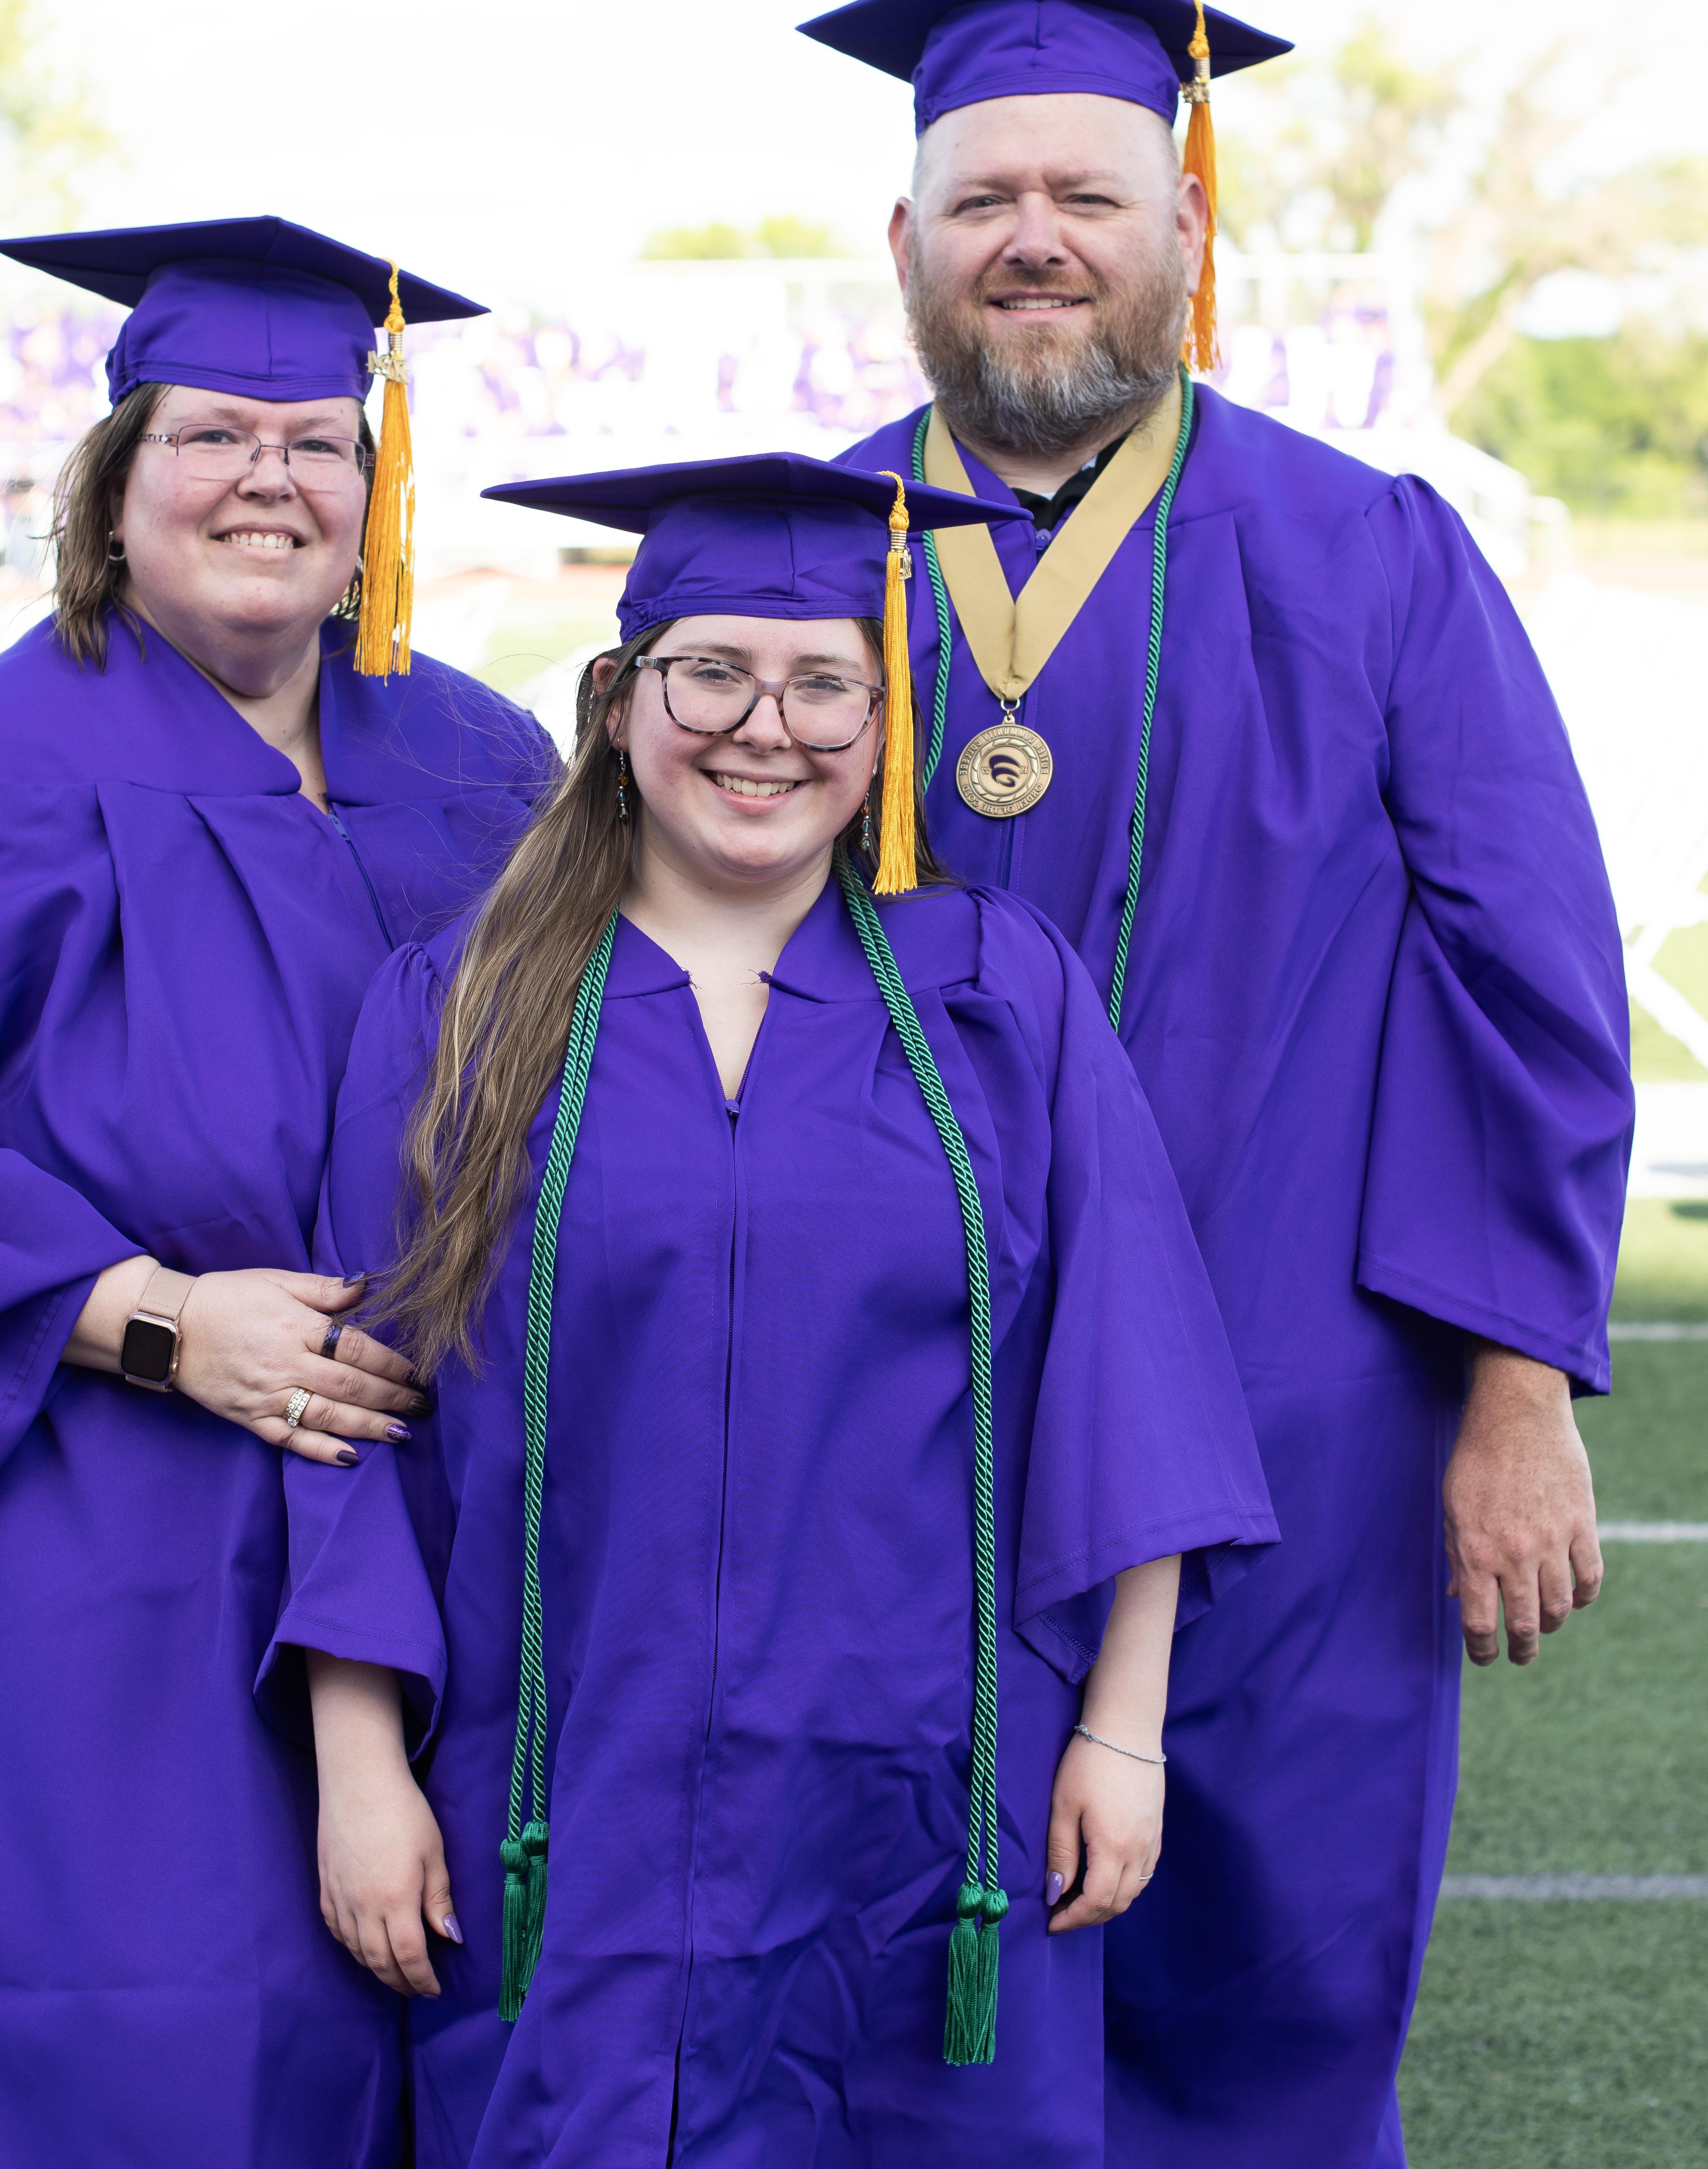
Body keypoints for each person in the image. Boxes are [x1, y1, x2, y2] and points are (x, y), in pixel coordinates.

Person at [799, 0, 1633, 2168]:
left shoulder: (1370, 555)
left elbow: (1526, 979)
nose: (1036, 241)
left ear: (1187, 233)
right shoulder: (784, 568)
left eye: (1090, 194)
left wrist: (1517, 1386)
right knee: (899, 1988)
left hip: (1303, 1420)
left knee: (1273, 1978)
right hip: (876, 1418)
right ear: (907, 243)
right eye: (985, 202)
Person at [261, 454, 1278, 2166]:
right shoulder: (468, 1008)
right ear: (618, 697)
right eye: (710, 672)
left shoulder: (993, 994)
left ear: (885, 725)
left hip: (933, 1783)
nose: (766, 728)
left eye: (825, 684)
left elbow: (1130, 1366)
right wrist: (362, 1768)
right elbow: (367, 1407)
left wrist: (1123, 1723)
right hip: (561, 1779)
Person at [0, 216, 559, 2169]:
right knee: (109, 2058)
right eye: (210, 434)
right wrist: (163, 1322)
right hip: (65, 1532)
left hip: (421, 1508)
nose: (267, 476)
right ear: (113, 493)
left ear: (380, 493)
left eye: (317, 439)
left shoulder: (484, 765)